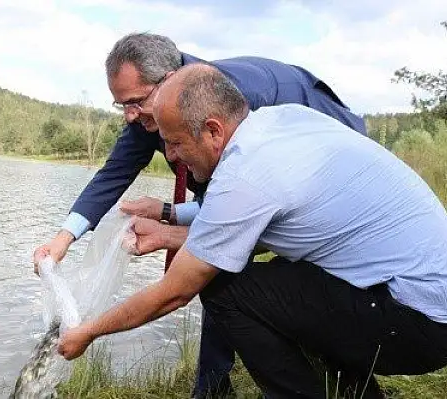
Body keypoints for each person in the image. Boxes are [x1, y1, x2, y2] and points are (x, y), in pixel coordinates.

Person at [57, 63, 447, 398]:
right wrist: (170, 230)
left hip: (418, 323)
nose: (171, 155)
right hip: (417, 298)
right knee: (287, 281)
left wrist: (88, 331)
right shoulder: (281, 121)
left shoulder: (245, 176)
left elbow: (173, 293)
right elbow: (260, 227)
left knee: (226, 288)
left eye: (175, 142)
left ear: (212, 131)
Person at [33, 32, 367, 397]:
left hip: (329, 150)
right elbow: (115, 172)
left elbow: (224, 226)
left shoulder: (227, 104)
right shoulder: (151, 110)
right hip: (266, 178)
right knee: (222, 262)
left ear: (166, 80)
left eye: (134, 102)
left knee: (243, 266)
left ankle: (329, 370)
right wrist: (64, 238)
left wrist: (93, 329)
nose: (129, 115)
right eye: (120, 105)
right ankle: (221, 385)